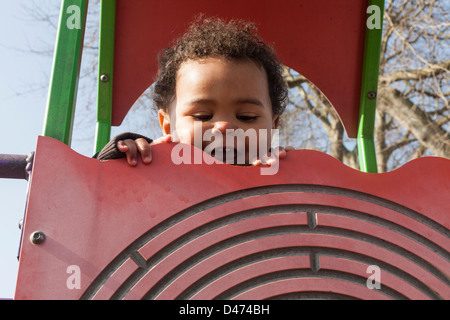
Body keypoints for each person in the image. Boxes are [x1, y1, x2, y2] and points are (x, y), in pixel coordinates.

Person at [94, 17, 293, 168]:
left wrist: (298, 172)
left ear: (273, 126)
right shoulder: (156, 175)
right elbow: (91, 194)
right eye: (202, 116)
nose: (223, 126)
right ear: (167, 124)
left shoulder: (278, 178)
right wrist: (124, 159)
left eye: (246, 117)